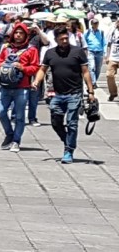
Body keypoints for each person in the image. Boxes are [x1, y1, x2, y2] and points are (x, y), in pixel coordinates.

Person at [33, 27, 95, 164]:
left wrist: (91, 91)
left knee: (72, 123)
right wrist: (37, 82)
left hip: (75, 93)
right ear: (56, 40)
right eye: (62, 39)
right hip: (57, 94)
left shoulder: (77, 52)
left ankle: (68, 150)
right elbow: (42, 69)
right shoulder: (50, 53)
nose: (65, 41)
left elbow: (85, 72)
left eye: (66, 38)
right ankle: (67, 140)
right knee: (56, 122)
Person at [0, 23, 39, 153]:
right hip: (5, 86)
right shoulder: (6, 48)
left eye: (21, 33)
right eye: (16, 33)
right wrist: (2, 65)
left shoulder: (31, 50)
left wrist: (22, 68)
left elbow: (35, 67)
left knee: (19, 116)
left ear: (25, 35)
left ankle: (16, 140)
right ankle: (9, 133)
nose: (18, 35)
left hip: (22, 87)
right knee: (1, 111)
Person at [85, 17, 106, 87]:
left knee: (98, 69)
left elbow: (104, 43)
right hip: (91, 51)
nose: (96, 24)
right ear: (91, 24)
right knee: (92, 67)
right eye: (94, 23)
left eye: (97, 23)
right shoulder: (87, 32)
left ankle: (94, 81)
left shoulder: (101, 32)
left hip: (99, 52)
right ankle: (93, 83)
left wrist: (105, 52)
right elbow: (84, 41)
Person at [107, 16, 119, 102]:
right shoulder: (113, 31)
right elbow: (109, 44)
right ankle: (113, 93)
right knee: (109, 75)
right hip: (113, 57)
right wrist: (107, 56)